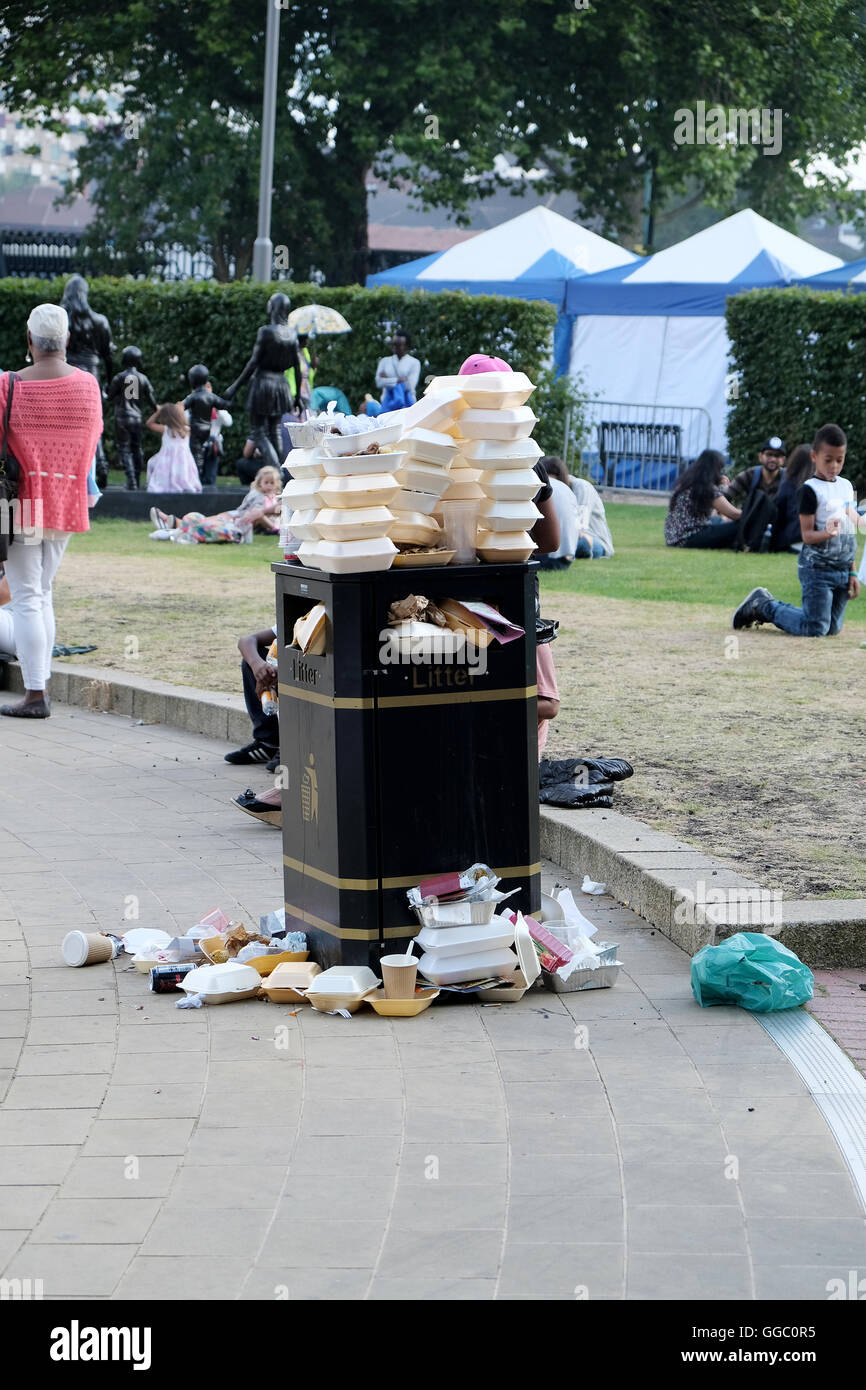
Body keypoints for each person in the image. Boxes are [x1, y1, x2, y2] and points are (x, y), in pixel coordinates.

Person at [0, 303, 103, 719]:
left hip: (20, 503)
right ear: (66, 341)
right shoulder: (88, 385)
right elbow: (91, 442)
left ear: (30, 341)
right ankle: (40, 688)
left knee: (26, 596)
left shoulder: (8, 386)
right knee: (42, 594)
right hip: (66, 502)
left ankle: (36, 693)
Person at [732, 423, 866, 637]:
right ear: (814, 456)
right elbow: (807, 536)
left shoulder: (846, 486)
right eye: (828, 460)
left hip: (841, 569)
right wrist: (827, 533)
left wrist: (852, 571)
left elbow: (850, 530)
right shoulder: (809, 490)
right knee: (815, 628)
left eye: (839, 460)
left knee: (830, 629)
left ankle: (771, 605)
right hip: (817, 570)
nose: (834, 466)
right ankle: (763, 605)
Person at [224, 293, 301, 472]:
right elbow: (297, 368)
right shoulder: (292, 334)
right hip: (282, 386)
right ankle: (281, 471)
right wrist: (296, 396)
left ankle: (276, 470)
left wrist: (234, 387)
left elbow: (253, 363)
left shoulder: (266, 331)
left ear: (273, 307)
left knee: (258, 431)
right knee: (274, 431)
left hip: (264, 383)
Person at [60, 274, 113, 488]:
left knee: (65, 423)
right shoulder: (99, 321)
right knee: (94, 422)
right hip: (91, 374)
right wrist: (108, 383)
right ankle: (100, 462)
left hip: (66, 371)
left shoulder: (62, 319)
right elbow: (108, 355)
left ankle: (69, 468)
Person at [149, 464, 281, 543]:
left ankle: (172, 523)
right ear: (259, 483)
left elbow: (276, 510)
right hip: (237, 515)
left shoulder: (275, 498)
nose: (269, 486)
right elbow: (251, 512)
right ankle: (172, 522)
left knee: (209, 523)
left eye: (272, 483)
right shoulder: (257, 495)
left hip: (238, 517)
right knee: (209, 522)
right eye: (266, 482)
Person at [665, 449, 762, 549]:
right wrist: (756, 517)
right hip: (689, 538)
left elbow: (714, 513)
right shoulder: (707, 489)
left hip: (673, 538)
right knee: (738, 526)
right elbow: (734, 514)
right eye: (720, 469)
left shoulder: (687, 482)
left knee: (717, 520)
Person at [225, 625, 280, 770]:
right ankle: (268, 743)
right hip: (280, 674)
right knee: (252, 659)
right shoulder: (296, 616)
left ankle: (292, 748)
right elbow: (246, 641)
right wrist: (258, 666)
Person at [105, 346, 158, 491]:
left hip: (122, 417)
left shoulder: (119, 377)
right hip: (136, 417)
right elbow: (152, 401)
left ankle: (131, 481)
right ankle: (137, 479)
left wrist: (106, 390)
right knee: (136, 448)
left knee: (124, 449)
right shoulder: (143, 378)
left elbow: (109, 397)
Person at [183, 365, 232, 486]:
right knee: (195, 467)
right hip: (197, 439)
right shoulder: (193, 401)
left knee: (210, 475)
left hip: (212, 443)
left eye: (209, 387)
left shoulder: (214, 403)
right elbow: (183, 417)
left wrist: (217, 410)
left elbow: (228, 422)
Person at [145, 403, 201, 493]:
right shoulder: (187, 430)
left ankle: (155, 483)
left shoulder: (166, 429)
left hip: (166, 460)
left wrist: (158, 411)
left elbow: (149, 423)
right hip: (183, 461)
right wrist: (180, 411)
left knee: (151, 463)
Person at [768, 444, 813, 553]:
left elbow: (778, 514)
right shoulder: (817, 485)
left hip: (792, 538)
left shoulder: (788, 484)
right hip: (815, 539)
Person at [375, 330, 420, 410]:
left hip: (407, 406)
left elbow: (410, 385)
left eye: (398, 345)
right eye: (393, 344)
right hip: (388, 405)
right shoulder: (384, 361)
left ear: (406, 346)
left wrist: (387, 379)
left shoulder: (414, 362)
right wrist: (398, 380)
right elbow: (379, 382)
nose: (394, 347)